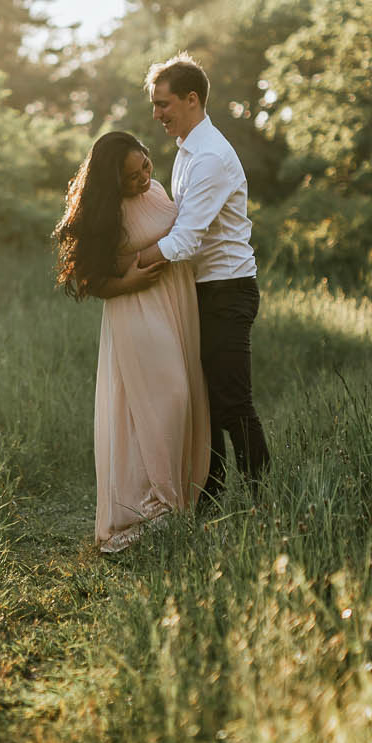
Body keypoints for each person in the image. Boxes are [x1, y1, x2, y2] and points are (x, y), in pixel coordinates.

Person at [52, 130, 210, 553]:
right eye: (131, 177)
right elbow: (91, 279)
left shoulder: (157, 189)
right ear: (112, 182)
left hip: (175, 306)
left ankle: (172, 507)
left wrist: (142, 258)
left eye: (144, 166)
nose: (142, 179)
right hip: (137, 310)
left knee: (175, 400)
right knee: (169, 397)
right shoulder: (106, 213)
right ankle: (148, 510)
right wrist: (131, 277)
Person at [132, 55, 271, 496]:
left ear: (192, 99)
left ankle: (261, 499)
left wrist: (133, 261)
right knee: (204, 405)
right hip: (203, 291)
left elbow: (185, 240)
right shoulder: (188, 151)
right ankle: (209, 497)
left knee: (231, 402)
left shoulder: (211, 157)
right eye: (154, 105)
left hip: (227, 290)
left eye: (163, 104)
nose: (156, 115)